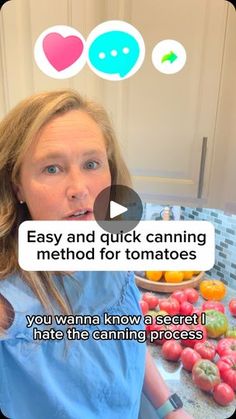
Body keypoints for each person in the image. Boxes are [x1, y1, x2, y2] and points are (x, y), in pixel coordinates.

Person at [0, 90, 192, 419]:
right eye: (51, 168)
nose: (80, 188)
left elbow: (125, 335)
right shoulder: (8, 300)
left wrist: (168, 407)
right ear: (17, 185)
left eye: (92, 164)